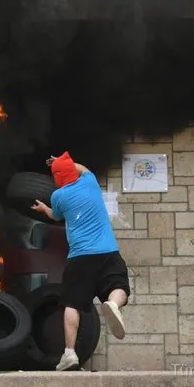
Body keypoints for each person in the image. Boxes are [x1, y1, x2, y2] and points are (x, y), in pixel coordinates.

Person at [31, 151, 130, 371]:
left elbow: (55, 216)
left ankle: (69, 354)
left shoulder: (59, 197)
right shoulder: (90, 182)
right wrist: (63, 162)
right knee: (119, 286)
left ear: (57, 179)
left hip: (80, 257)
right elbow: (82, 168)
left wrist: (43, 208)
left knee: (72, 304)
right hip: (108, 252)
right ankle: (113, 304)